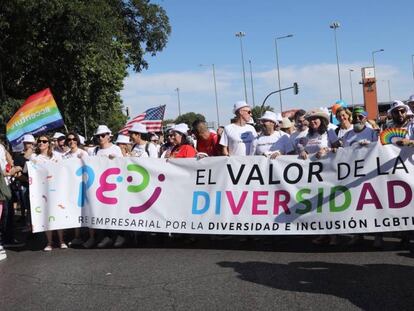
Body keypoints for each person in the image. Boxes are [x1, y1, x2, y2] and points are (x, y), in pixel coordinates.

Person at [85, 125, 123, 249]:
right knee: (101, 211)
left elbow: (123, 165)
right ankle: (103, 236)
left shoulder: (116, 149)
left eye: (103, 135)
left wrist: (116, 159)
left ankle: (116, 235)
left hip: (113, 185)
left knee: (113, 211)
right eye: (98, 136)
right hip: (99, 186)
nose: (100, 138)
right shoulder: (94, 151)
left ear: (108, 136)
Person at [32, 135, 66, 251]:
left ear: (49, 143)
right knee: (46, 215)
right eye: (39, 141)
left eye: (44, 141)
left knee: (58, 214)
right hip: (42, 190)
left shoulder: (57, 156)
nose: (41, 143)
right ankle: (49, 242)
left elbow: (64, 169)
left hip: (56, 189)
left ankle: (61, 240)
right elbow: (28, 170)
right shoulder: (34, 157)